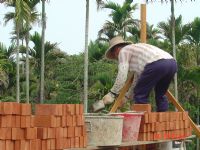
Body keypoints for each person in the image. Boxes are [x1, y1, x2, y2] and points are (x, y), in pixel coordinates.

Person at [93, 36, 177, 112]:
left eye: (115, 55)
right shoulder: (136, 52)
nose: (116, 58)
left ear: (116, 50)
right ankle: (162, 120)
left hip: (155, 64)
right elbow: (136, 81)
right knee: (160, 94)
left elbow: (122, 75)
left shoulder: (123, 51)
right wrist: (126, 97)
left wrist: (112, 94)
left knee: (140, 94)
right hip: (172, 63)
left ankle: (144, 122)